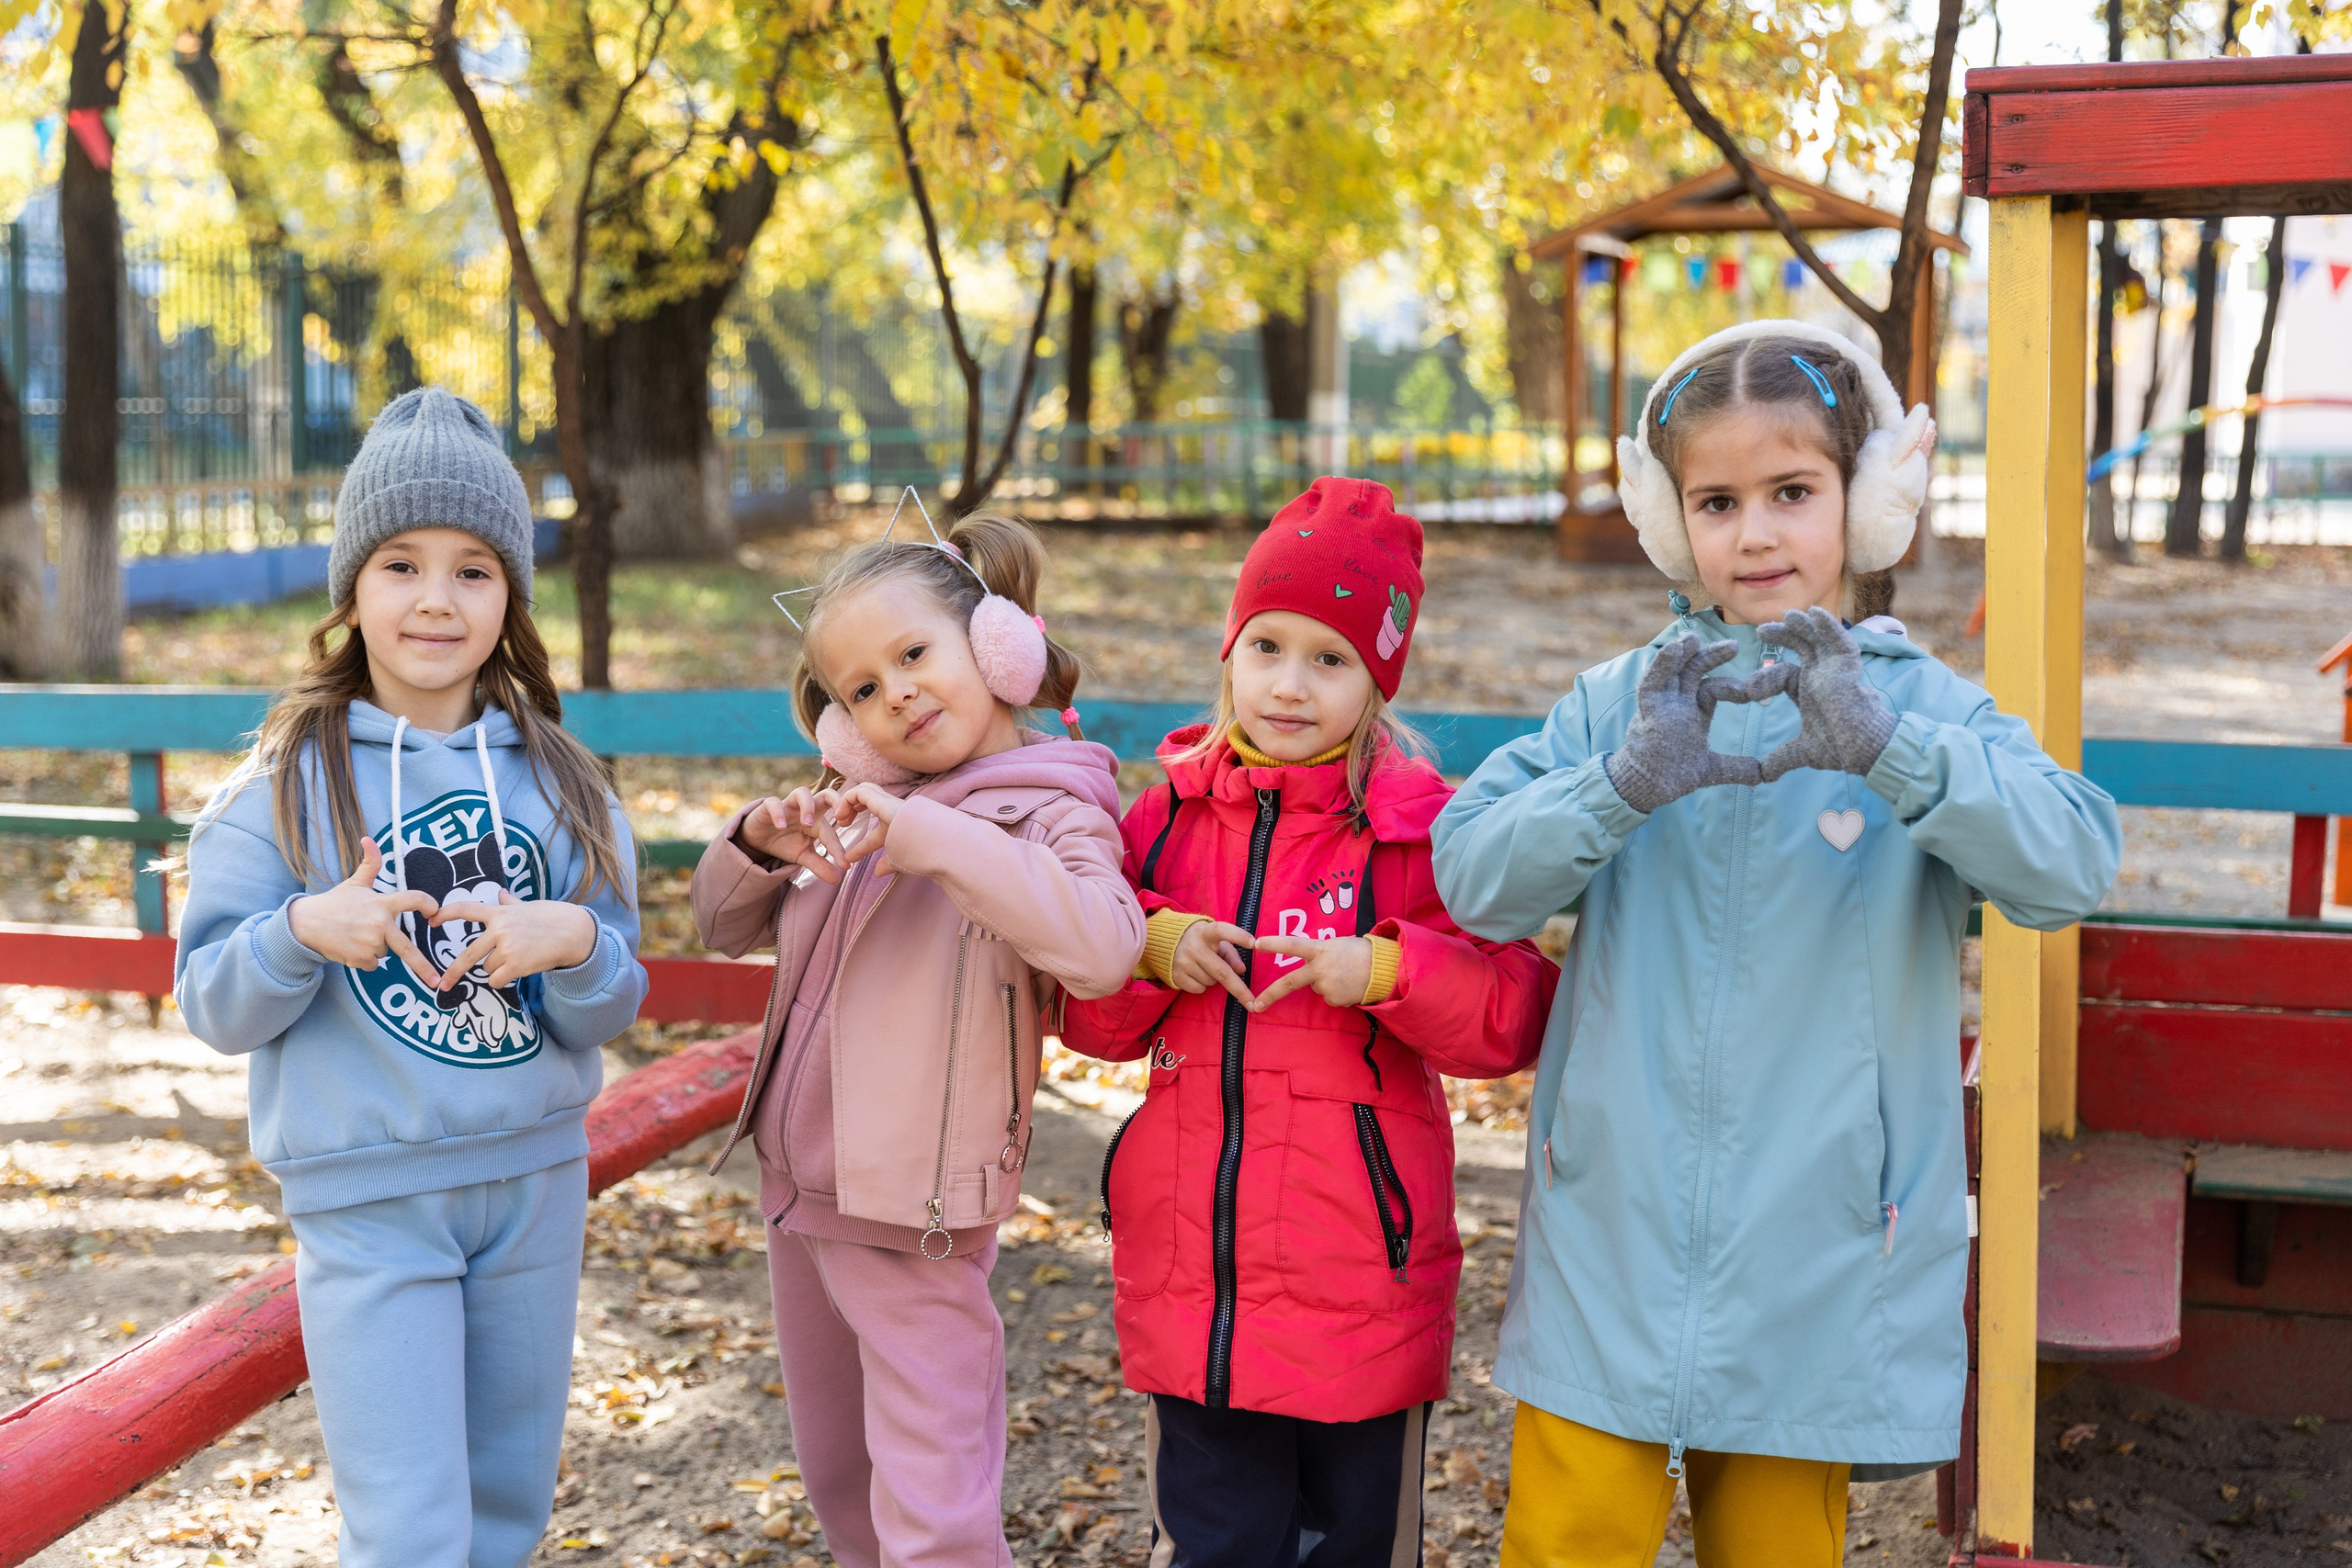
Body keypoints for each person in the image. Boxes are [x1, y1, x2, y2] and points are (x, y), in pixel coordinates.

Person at [1430, 321, 2123, 1567]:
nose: (1755, 535)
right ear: (1668, 520)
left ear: (1863, 504)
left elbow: (2071, 863)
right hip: (1614, 1240)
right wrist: (1619, 784)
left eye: (1792, 492)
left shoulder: (1920, 706)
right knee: (1566, 1543)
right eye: (1717, 499)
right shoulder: (1618, 703)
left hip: (1820, 1250)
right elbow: (1470, 877)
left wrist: (1893, 752)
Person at [175, 389, 649, 1568]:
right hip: (369, 1202)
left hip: (535, 1186)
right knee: (411, 1535)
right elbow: (214, 1006)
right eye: (400, 563)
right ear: (351, 589)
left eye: (474, 569)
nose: (436, 598)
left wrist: (575, 948)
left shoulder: (567, 787)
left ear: (511, 596)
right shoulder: (280, 791)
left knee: (504, 1517)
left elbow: (617, 996)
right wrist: (299, 931)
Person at [1058, 477, 1557, 1567]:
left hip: (1361, 1295)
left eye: (1330, 659)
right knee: (1216, 1547)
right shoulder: (1165, 818)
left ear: (1377, 681)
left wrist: (1390, 968)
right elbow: (1088, 1023)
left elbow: (1510, 1018)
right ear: (1229, 652)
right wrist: (1148, 946)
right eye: (1267, 647)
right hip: (1198, 1294)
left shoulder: (1418, 833)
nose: (1290, 686)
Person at [691, 504, 1145, 1568]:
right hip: (805, 1187)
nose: (892, 693)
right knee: (841, 1470)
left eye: (911, 654)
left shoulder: (1053, 809)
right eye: (859, 689)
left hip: (917, 1200)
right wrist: (757, 842)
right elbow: (721, 924)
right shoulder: (862, 800)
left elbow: (1102, 945)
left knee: (932, 1491)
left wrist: (933, 836)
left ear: (997, 646)